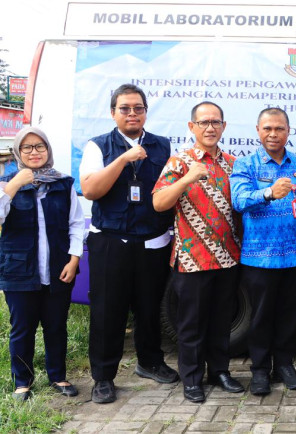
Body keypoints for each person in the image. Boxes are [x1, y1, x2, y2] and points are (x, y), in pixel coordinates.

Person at [80, 84, 178, 404]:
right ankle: (103, 377)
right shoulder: (98, 146)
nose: (132, 113)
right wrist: (123, 158)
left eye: (138, 108)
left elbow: (170, 191)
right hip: (111, 240)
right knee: (108, 311)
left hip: (153, 240)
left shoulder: (162, 146)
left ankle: (149, 362)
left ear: (146, 112)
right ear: (113, 113)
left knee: (149, 308)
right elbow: (91, 190)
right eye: (125, 108)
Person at [152, 102, 244, 403]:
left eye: (215, 122)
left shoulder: (233, 164)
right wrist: (188, 178)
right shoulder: (179, 162)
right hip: (192, 259)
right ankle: (191, 379)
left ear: (224, 126)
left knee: (221, 320)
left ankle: (219, 371)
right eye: (203, 122)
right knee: (191, 323)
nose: (210, 128)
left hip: (227, 257)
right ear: (192, 127)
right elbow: (158, 203)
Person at [231, 107, 296, 396]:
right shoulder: (245, 164)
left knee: (290, 316)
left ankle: (284, 365)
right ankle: (259, 370)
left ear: (288, 131)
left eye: (279, 128)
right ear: (258, 131)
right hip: (260, 258)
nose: (273, 134)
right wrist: (269, 193)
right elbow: (239, 200)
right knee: (260, 317)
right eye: (267, 128)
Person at [0, 127, 85, 401]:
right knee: (22, 328)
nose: (34, 152)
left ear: (48, 149)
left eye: (40, 146)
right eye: (27, 147)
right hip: (18, 270)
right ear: (18, 152)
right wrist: (14, 184)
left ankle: (58, 376)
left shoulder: (62, 183)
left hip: (59, 268)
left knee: (56, 325)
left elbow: (76, 223)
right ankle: (22, 382)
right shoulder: (5, 183)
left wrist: (74, 258)